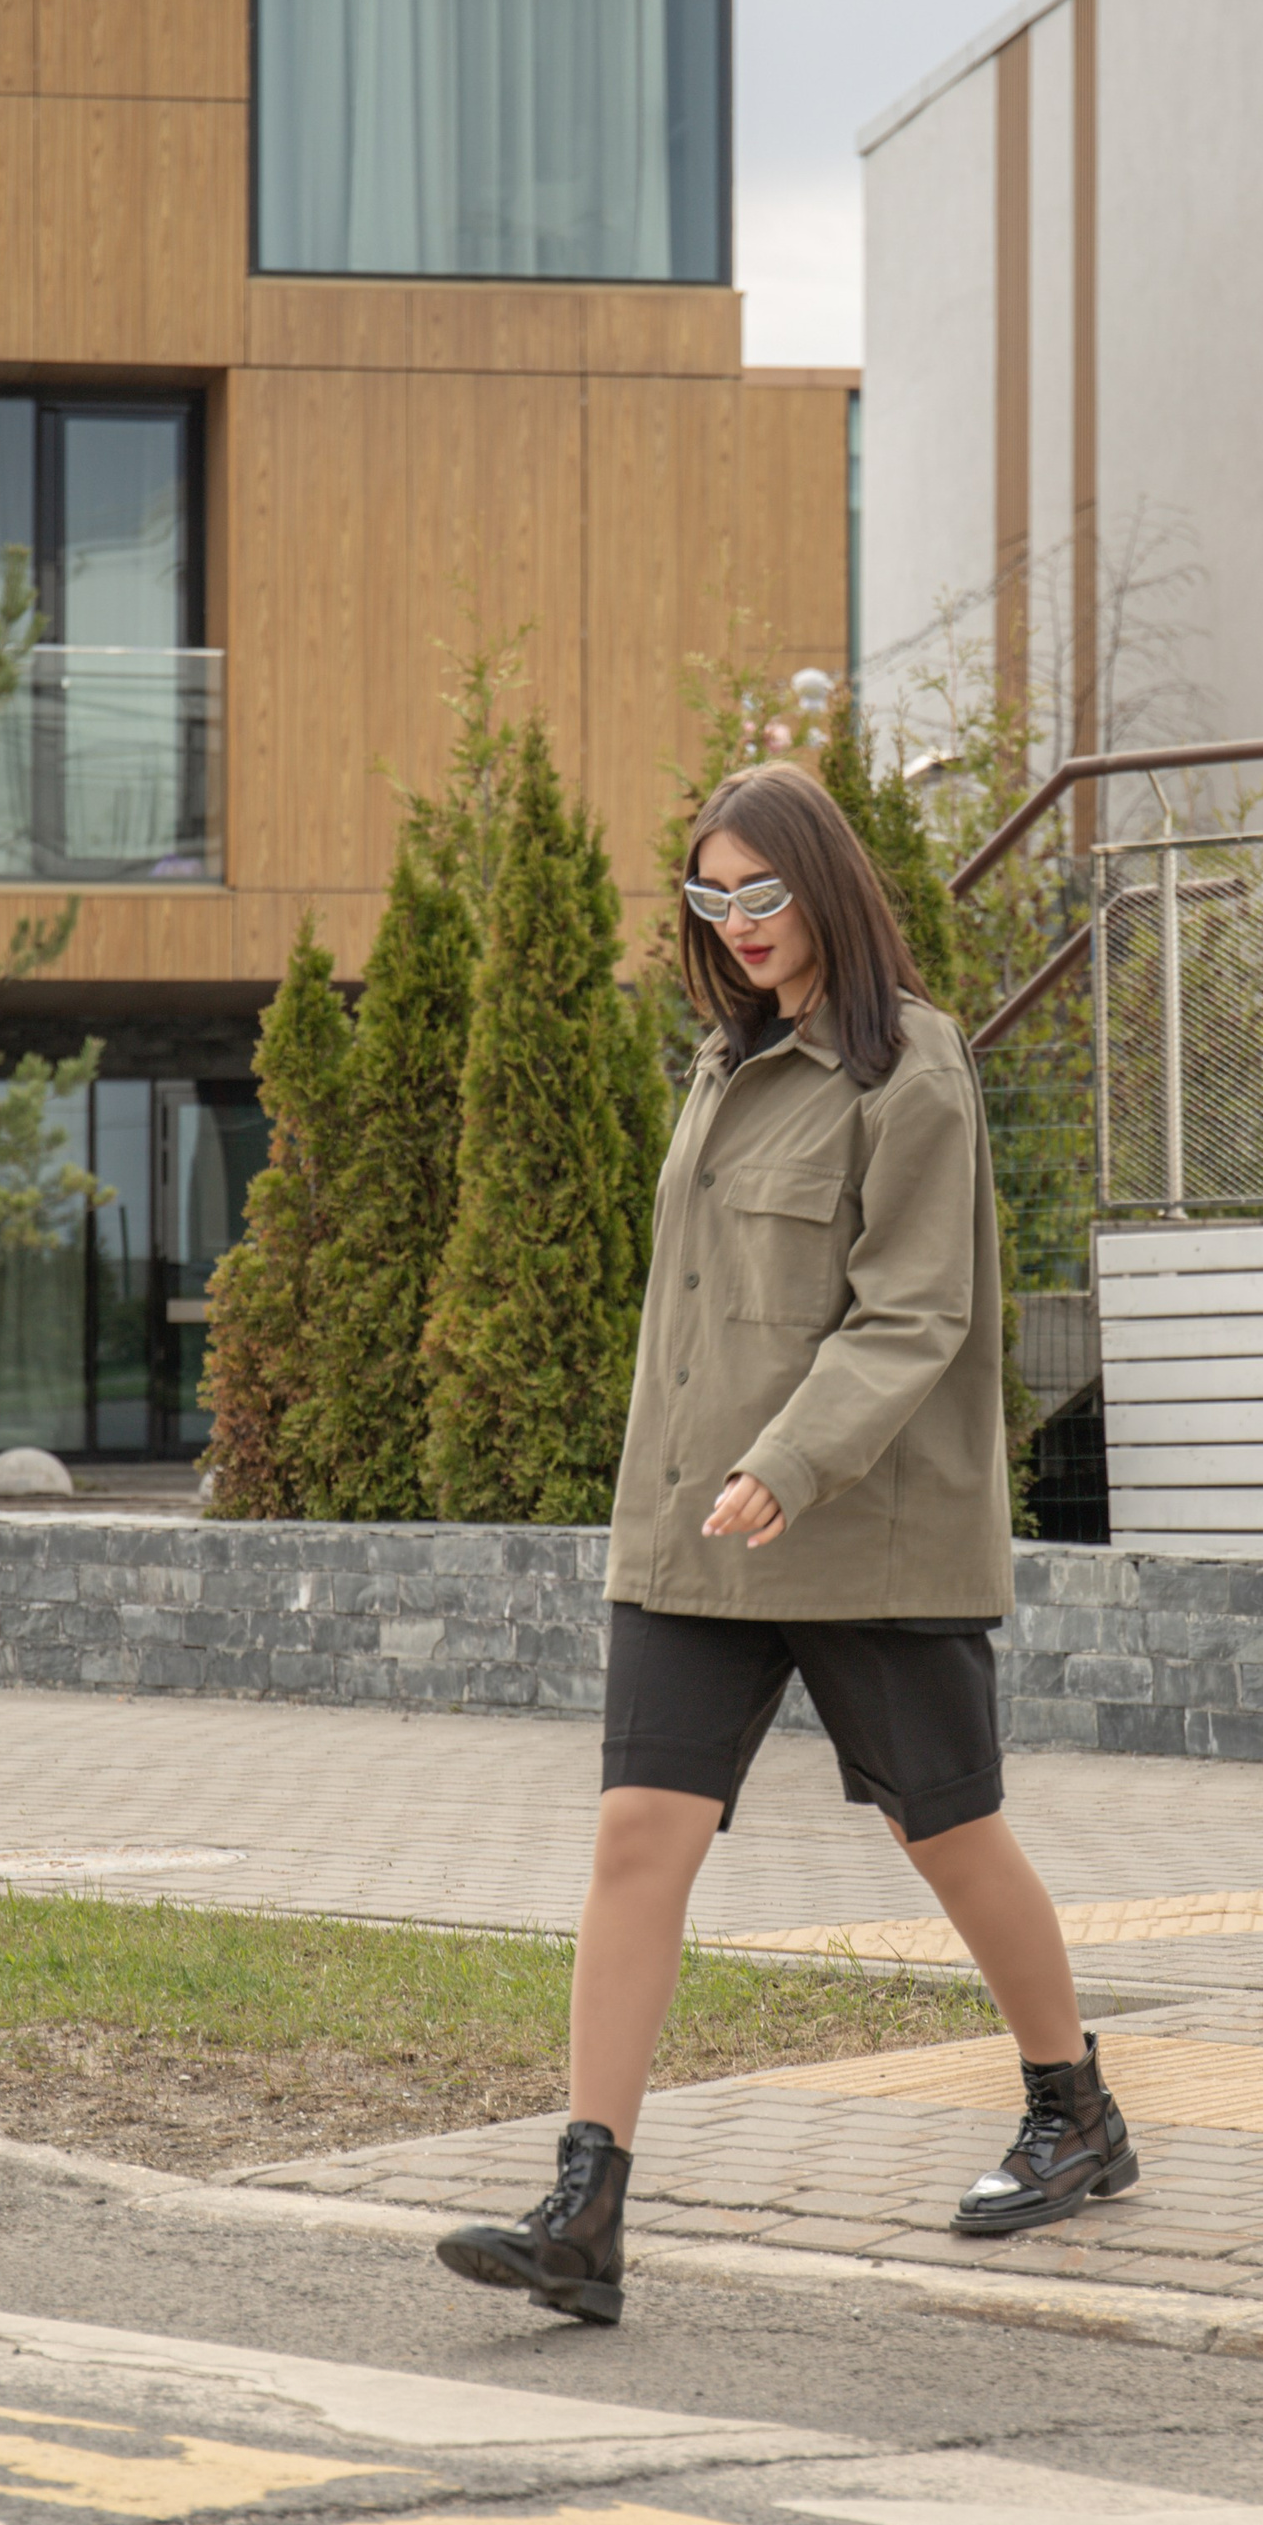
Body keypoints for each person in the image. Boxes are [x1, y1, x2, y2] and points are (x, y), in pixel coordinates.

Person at [436, 760, 1138, 2325]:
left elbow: (915, 1315)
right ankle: (586, 2205)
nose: (739, 922)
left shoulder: (911, 1068)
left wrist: (790, 1460)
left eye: (763, 891)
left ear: (823, 884)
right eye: (712, 895)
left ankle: (1074, 2108)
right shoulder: (728, 1060)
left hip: (862, 1528)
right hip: (699, 1533)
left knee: (948, 1828)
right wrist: (689, 1484)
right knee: (638, 1837)